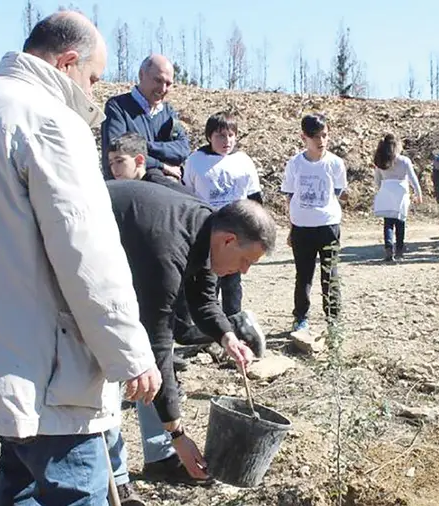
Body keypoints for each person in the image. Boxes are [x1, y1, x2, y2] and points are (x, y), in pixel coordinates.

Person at [0, 13, 162, 505]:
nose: (93, 94)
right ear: (68, 62)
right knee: (76, 488)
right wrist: (130, 354)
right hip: (47, 367)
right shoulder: (50, 122)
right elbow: (87, 253)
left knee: (20, 478)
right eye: (92, 79)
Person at [103, 181, 272, 498]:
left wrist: (227, 337)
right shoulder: (167, 250)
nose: (245, 271)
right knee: (111, 372)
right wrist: (178, 433)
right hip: (76, 264)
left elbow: (205, 301)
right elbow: (157, 343)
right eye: (246, 261)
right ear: (229, 240)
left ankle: (159, 457)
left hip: (124, 264)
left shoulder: (209, 230)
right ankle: (115, 477)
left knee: (151, 374)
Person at [183, 112, 263, 316]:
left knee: (233, 283)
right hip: (207, 231)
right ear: (209, 136)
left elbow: (255, 197)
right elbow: (187, 195)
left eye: (230, 135)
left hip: (236, 231)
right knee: (208, 282)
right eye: (220, 135)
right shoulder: (196, 160)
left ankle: (234, 324)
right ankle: (208, 330)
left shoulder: (243, 161)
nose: (226, 141)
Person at [282, 113, 347, 332]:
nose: (321, 141)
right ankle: (301, 317)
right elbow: (290, 197)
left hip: (328, 226)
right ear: (304, 138)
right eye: (315, 137)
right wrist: (292, 228)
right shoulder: (294, 164)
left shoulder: (336, 164)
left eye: (324, 135)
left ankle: (333, 319)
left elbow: (336, 192)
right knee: (303, 275)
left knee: (330, 274)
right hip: (302, 228)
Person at [101, 54, 190, 181]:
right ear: (141, 75)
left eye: (169, 84)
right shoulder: (118, 107)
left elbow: (183, 150)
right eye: (158, 80)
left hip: (163, 192)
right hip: (131, 192)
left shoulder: (168, 113)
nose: (163, 89)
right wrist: (162, 165)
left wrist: (143, 147)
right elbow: (117, 154)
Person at [372, 133, 422, 261]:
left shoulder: (380, 161)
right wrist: (418, 193)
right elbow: (413, 178)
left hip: (386, 190)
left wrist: (381, 190)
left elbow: (377, 180)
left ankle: (389, 247)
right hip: (401, 191)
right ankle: (400, 249)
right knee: (400, 221)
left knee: (388, 222)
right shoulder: (404, 161)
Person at [106, 132, 189, 193]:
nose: (114, 169)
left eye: (119, 161)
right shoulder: (117, 191)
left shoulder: (162, 188)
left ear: (139, 160)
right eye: (111, 163)